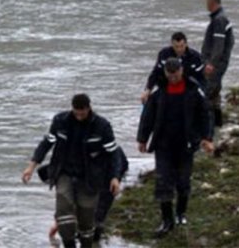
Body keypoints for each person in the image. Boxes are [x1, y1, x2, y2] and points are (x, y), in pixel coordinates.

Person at [22, 94, 121, 248]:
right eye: (76, 112)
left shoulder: (102, 126)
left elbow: (113, 154)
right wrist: (31, 166)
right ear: (72, 108)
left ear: (89, 108)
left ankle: (86, 243)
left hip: (90, 177)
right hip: (64, 173)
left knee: (86, 217)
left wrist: (115, 177)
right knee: (64, 210)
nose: (79, 115)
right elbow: (47, 143)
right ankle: (69, 244)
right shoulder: (60, 121)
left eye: (82, 112)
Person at [137, 57, 213, 238]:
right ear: (165, 73)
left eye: (176, 74)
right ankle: (167, 221)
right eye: (169, 75)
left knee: (183, 182)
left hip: (186, 143)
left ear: (181, 71)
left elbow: (205, 114)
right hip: (163, 144)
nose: (172, 78)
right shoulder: (159, 91)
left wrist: (207, 138)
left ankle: (181, 214)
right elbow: (148, 115)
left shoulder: (194, 90)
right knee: (163, 181)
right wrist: (142, 139)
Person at [45, 146, 128, 244]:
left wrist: (116, 178)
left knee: (98, 214)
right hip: (90, 175)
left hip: (106, 176)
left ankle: (94, 235)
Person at [141, 32, 205, 104]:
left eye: (181, 46)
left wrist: (204, 94)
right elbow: (156, 73)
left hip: (188, 89)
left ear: (186, 44)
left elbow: (201, 78)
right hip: (166, 88)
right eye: (176, 47)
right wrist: (148, 90)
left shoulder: (195, 57)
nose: (179, 49)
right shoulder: (164, 54)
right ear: (172, 45)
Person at [201, 0, 234, 130]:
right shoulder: (219, 18)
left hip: (215, 65)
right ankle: (217, 125)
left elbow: (219, 46)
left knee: (207, 93)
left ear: (212, 1)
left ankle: (206, 128)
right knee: (215, 95)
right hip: (218, 64)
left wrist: (211, 64)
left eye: (206, 0)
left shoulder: (219, 20)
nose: (205, 3)